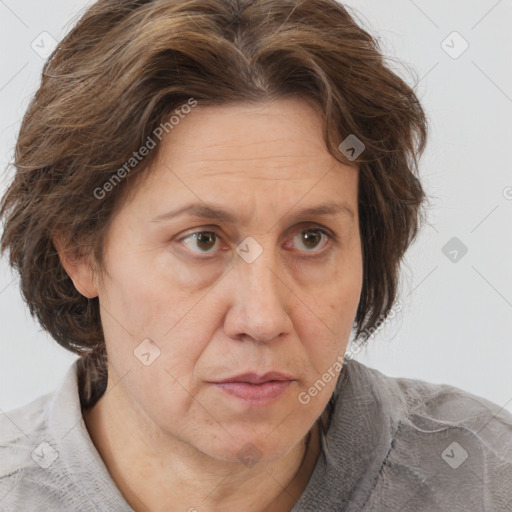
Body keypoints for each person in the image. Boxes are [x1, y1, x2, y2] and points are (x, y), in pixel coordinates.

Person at [1, 0, 511, 510]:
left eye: (311, 238)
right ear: (79, 252)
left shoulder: (486, 478)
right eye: (202, 240)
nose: (263, 319)